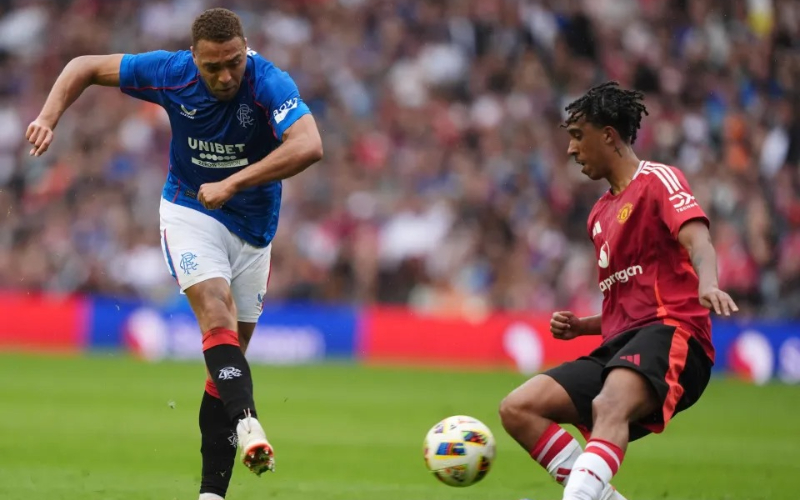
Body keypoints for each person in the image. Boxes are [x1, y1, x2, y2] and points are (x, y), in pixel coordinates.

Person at [25, 7, 323, 500]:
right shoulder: (170, 72)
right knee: (215, 313)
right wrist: (47, 117)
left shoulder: (268, 81)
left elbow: (309, 144)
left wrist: (233, 182)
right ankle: (248, 423)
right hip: (190, 211)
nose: (225, 76)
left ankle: (211, 494)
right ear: (194, 58)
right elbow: (83, 66)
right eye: (213, 67)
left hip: (253, 232)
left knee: (226, 366)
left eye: (233, 62)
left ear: (245, 50)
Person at [499, 81, 738, 500]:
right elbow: (626, 302)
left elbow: (698, 240)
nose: (571, 149)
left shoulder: (658, 180)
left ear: (608, 136)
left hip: (673, 333)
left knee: (608, 405)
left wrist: (709, 282)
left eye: (578, 136)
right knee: (519, 408)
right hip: (622, 344)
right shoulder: (598, 215)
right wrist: (583, 326)